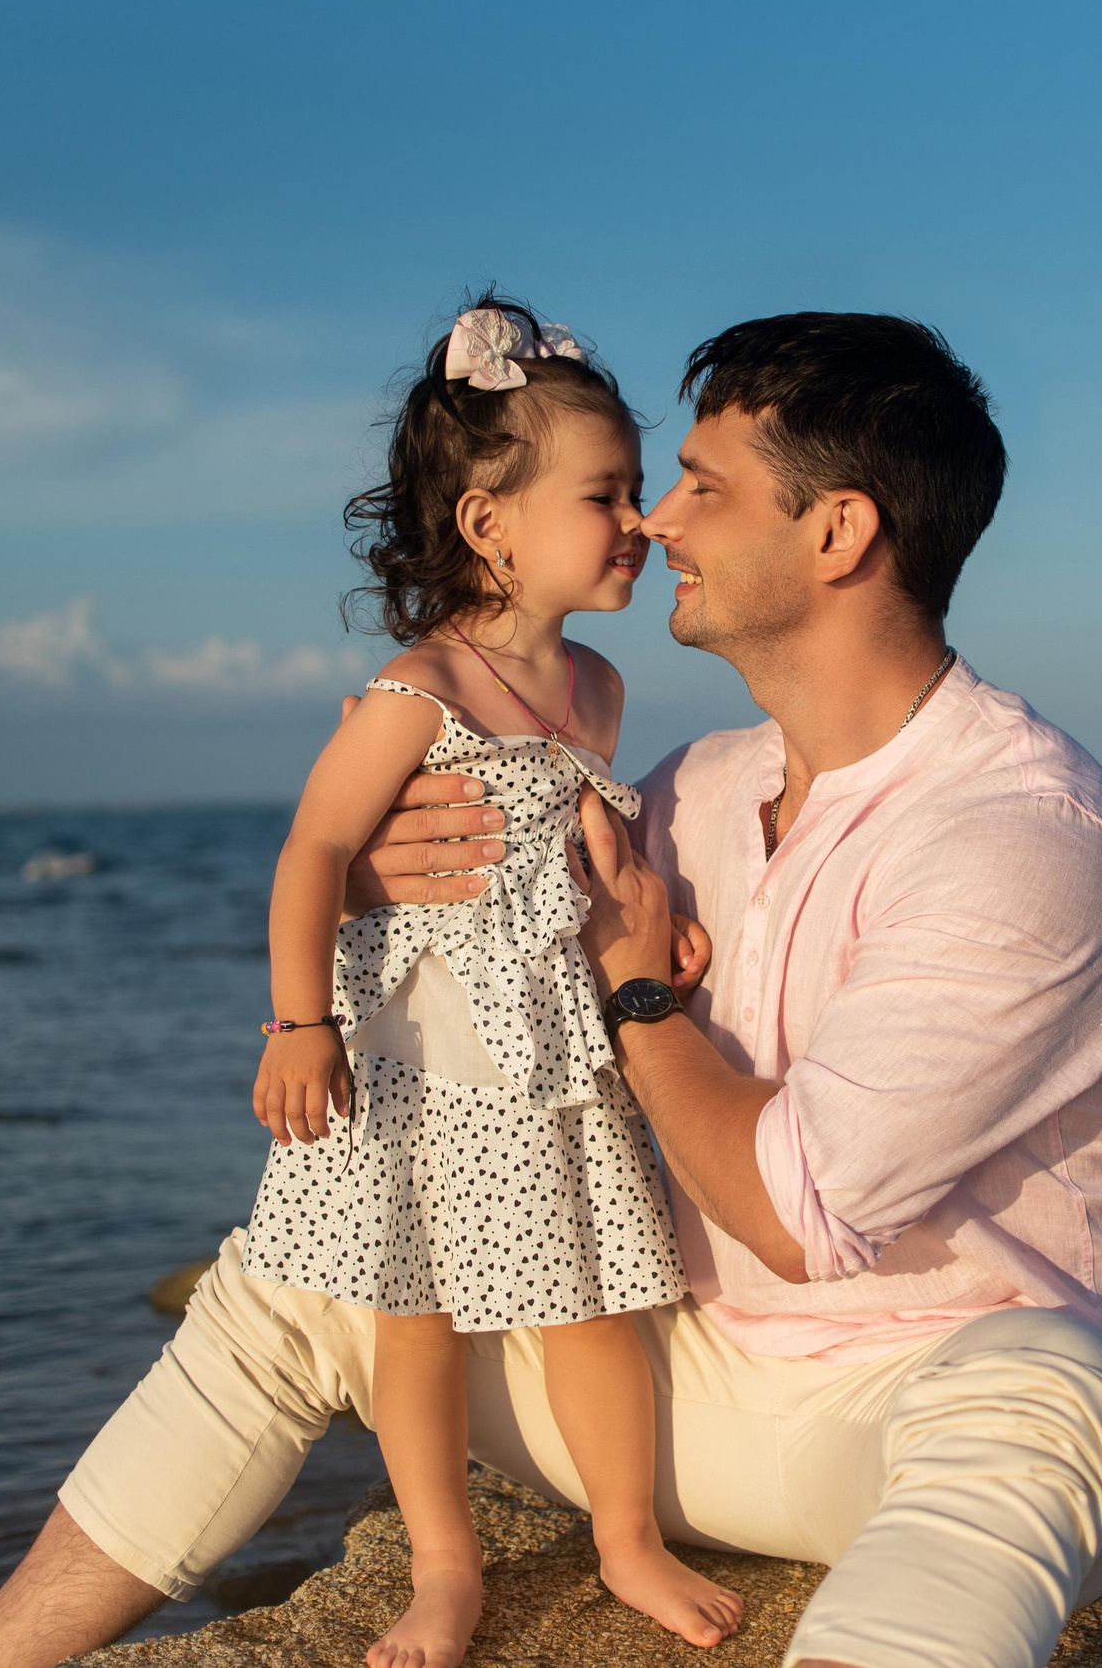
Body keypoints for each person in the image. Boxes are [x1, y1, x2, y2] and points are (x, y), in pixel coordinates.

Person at [0, 311, 1102, 1668]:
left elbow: (794, 1206)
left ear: (839, 535)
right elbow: (497, 909)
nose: (659, 516)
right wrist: (372, 884)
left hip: (911, 1397)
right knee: (308, 1261)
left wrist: (642, 996)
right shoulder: (699, 785)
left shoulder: (1017, 837)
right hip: (675, 1375)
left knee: (1048, 1402)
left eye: (704, 484)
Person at [241, 295, 740, 1667]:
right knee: (415, 1322)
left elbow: (587, 849)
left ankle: (625, 1538)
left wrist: (662, 915)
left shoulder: (598, 687)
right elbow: (314, 852)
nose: (639, 519)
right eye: (606, 494)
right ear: (488, 522)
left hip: (552, 1061)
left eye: (639, 491)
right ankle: (444, 1569)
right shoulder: (422, 687)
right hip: (423, 1065)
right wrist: (302, 1024)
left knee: (586, 1304)